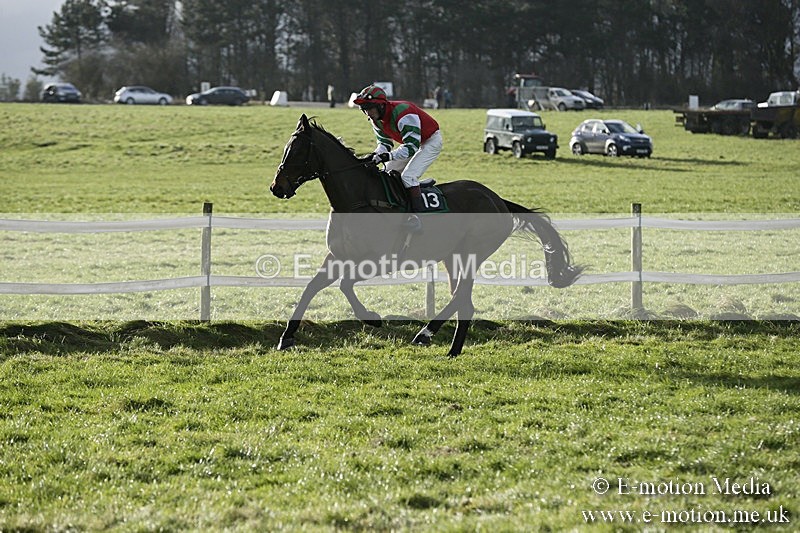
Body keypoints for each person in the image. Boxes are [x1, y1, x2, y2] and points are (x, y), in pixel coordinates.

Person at [353, 84, 443, 233]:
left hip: (430, 141)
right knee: (388, 172)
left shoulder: (404, 113)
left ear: (381, 106)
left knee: (408, 176)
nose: (367, 113)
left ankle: (416, 218)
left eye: (370, 108)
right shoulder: (376, 120)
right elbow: (384, 144)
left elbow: (411, 147)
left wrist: (387, 156)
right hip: (411, 143)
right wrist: (375, 156)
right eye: (364, 109)